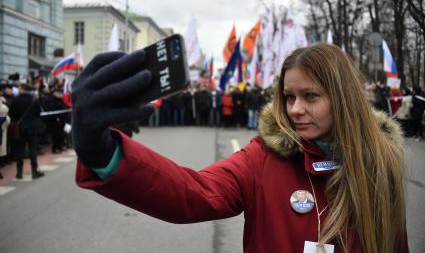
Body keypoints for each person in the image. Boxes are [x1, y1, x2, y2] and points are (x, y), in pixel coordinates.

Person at [73, 45, 408, 253]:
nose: (294, 109)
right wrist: (102, 152)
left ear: (344, 99)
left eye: (310, 96)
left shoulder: (380, 162)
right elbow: (191, 192)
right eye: (289, 97)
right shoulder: (263, 157)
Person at [9, 83, 44, 179]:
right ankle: (34, 171)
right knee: (32, 149)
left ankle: (19, 173)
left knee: (19, 149)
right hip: (32, 128)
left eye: (19, 88)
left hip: (19, 128)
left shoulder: (14, 100)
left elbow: (10, 114)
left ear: (22, 89)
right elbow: (38, 113)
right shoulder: (34, 100)